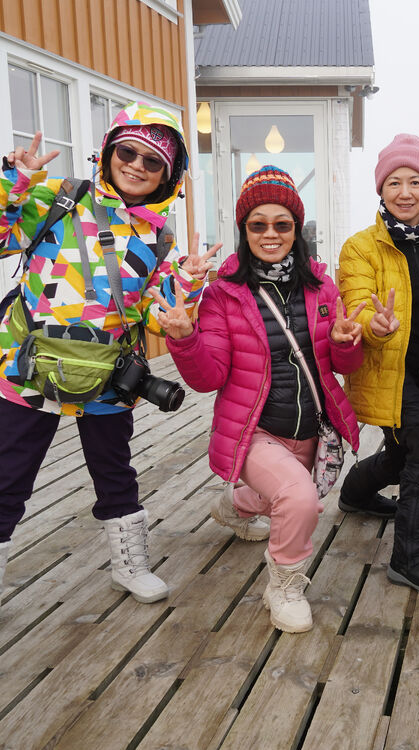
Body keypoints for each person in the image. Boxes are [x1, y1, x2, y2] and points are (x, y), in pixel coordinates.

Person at [0, 102, 216, 604]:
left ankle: (129, 564)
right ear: (109, 151)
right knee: (9, 473)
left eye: (153, 161)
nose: (137, 165)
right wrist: (15, 181)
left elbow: (158, 311)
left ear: (170, 174)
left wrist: (189, 278)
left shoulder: (158, 237)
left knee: (114, 470)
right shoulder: (58, 198)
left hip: (107, 377)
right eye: (128, 151)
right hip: (28, 369)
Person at [160, 165, 363, 634]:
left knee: (285, 495)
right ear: (243, 231)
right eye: (258, 225)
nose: (270, 234)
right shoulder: (223, 295)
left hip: (312, 428)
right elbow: (209, 378)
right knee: (300, 498)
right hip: (256, 432)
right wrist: (186, 338)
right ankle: (285, 585)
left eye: (282, 224)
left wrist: (349, 342)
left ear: (297, 229)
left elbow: (342, 366)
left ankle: (236, 505)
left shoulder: (322, 287)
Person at [337, 134, 419, 598]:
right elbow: (354, 309)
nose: (405, 192)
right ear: (381, 189)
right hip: (384, 374)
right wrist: (375, 323)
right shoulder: (361, 248)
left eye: (415, 181)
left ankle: (355, 493)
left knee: (402, 453)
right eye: (394, 182)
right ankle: (410, 559)